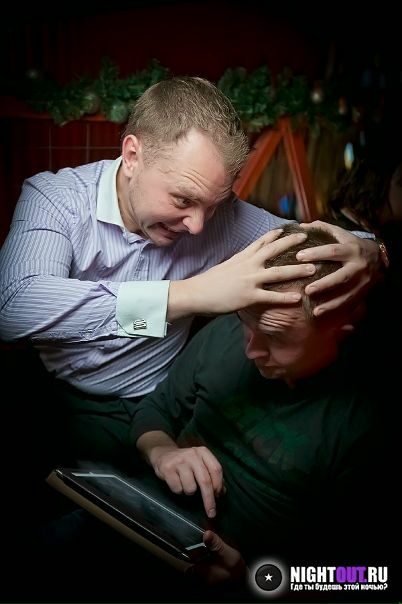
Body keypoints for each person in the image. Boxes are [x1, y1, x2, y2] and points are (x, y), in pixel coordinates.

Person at [0, 76, 384, 472]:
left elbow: (322, 244)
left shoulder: (224, 220)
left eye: (213, 205)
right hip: (49, 390)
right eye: (183, 199)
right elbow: (15, 307)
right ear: (132, 155)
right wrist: (190, 294)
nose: (198, 226)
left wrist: (376, 251)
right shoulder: (55, 199)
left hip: (146, 405)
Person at [131, 223, 399, 598]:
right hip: (139, 520)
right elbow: (155, 409)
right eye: (247, 323)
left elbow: (363, 577)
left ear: (341, 330)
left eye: (275, 336)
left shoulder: (364, 425)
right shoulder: (227, 332)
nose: (251, 349)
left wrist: (252, 579)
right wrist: (162, 451)